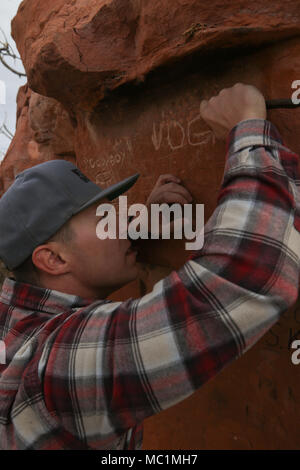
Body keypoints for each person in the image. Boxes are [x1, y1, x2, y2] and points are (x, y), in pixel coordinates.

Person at [0, 83, 299, 450]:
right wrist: (249, 130)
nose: (121, 221)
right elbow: (247, 274)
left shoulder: (13, 316)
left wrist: (140, 225)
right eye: (106, 218)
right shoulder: (59, 369)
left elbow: (78, 251)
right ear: (53, 260)